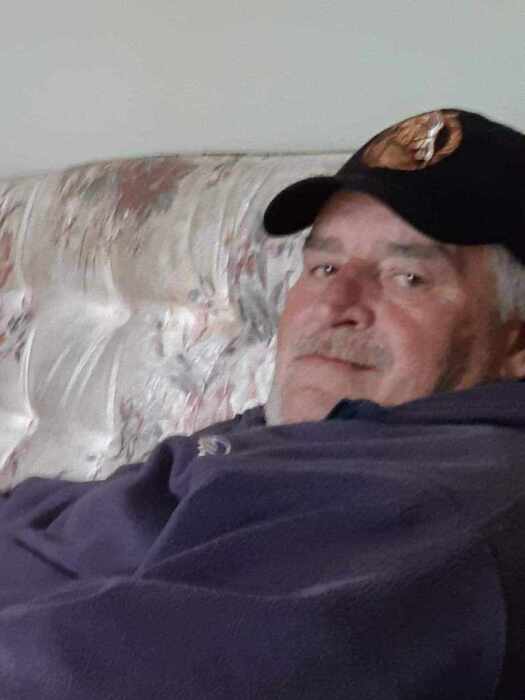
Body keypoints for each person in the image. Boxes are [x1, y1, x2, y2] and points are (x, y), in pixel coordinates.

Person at [1, 108, 525, 699]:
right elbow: (70, 515)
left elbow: (100, 676)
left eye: (407, 277)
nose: (334, 305)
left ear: (517, 342)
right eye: (324, 266)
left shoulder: (433, 513)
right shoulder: (328, 423)